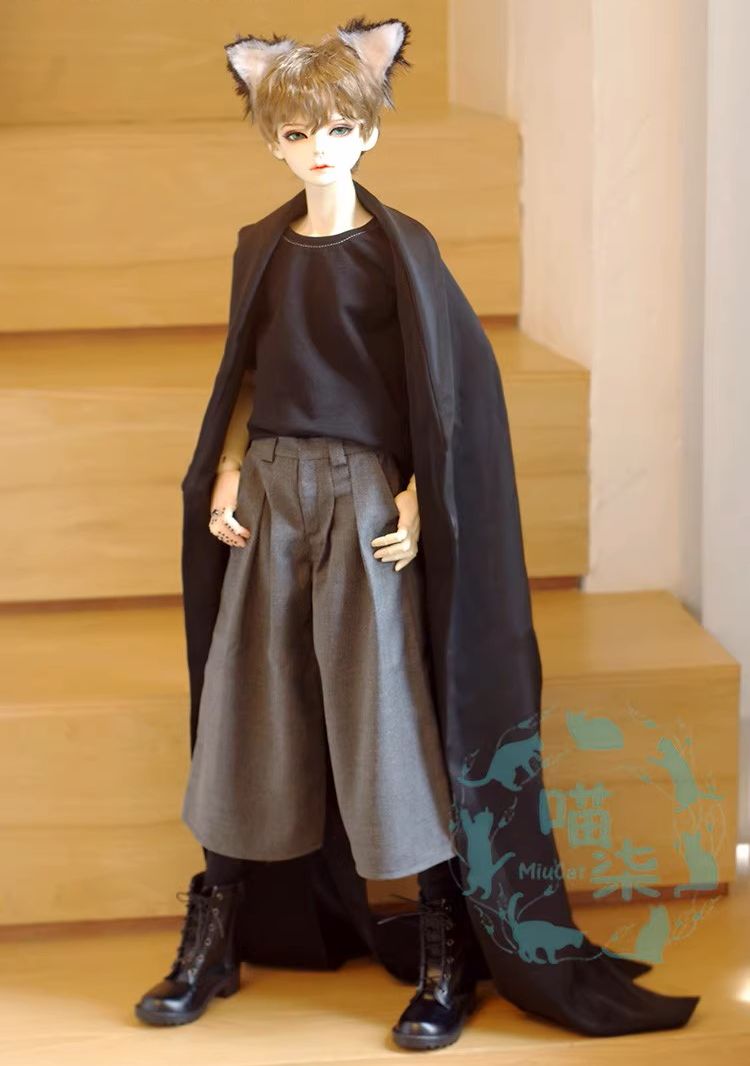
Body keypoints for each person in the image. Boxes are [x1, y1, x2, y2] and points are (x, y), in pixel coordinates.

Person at [135, 15, 700, 1048]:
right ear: (272, 139)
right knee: (249, 707)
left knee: (385, 716)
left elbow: (443, 387)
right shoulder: (262, 247)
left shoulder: (400, 251)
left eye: (338, 128)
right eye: (297, 132)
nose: (319, 148)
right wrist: (225, 469)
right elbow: (248, 369)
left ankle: (446, 945)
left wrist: (418, 496)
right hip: (270, 493)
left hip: (363, 499)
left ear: (368, 130)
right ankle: (218, 929)